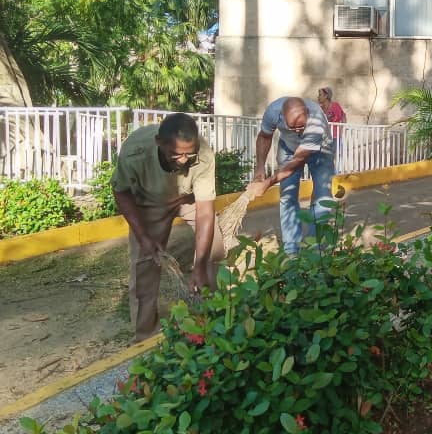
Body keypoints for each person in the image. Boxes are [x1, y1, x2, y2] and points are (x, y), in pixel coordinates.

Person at [111, 113, 224, 342]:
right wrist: (143, 236)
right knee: (145, 263)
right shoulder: (135, 151)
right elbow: (121, 192)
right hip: (150, 204)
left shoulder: (203, 154)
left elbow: (204, 211)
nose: (183, 160)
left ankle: (215, 317)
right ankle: (145, 336)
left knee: (214, 248)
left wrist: (200, 265)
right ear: (159, 143)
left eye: (188, 154)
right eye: (176, 154)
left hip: (187, 198)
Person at [246, 97, 336, 255]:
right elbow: (265, 136)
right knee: (287, 195)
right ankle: (292, 250)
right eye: (292, 127)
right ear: (281, 116)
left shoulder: (316, 122)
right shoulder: (273, 111)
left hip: (321, 149)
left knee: (322, 196)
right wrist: (260, 168)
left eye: (301, 126)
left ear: (307, 113)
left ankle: (315, 250)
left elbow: (297, 161)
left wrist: (268, 183)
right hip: (287, 148)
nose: (298, 132)